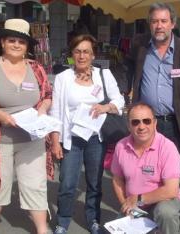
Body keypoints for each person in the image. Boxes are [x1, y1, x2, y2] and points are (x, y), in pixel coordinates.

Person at [0, 19, 53, 234]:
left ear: (27, 46)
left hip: (31, 139)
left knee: (35, 184)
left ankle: (43, 229)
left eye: (21, 42)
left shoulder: (36, 68)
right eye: (12, 40)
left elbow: (47, 96)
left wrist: (43, 108)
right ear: (3, 43)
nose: (16, 44)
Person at [50, 34, 125, 234]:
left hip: (95, 138)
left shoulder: (104, 75)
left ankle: (93, 219)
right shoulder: (62, 78)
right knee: (67, 183)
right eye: (78, 51)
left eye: (86, 51)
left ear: (93, 55)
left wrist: (106, 107)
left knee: (94, 182)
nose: (82, 56)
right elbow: (55, 112)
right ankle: (63, 221)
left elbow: (120, 101)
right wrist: (55, 142)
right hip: (71, 139)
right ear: (71, 55)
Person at [126, 2, 180, 156]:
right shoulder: (140, 46)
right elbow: (127, 68)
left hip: (175, 123)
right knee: (146, 170)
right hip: (146, 122)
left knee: (171, 175)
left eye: (163, 21)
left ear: (172, 23)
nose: (159, 26)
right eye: (154, 21)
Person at [111, 103, 180, 234]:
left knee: (165, 213)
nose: (141, 126)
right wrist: (126, 205)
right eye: (135, 122)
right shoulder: (120, 146)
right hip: (135, 204)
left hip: (163, 201)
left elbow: (171, 190)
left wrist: (138, 198)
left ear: (155, 123)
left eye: (147, 121)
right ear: (128, 126)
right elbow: (117, 180)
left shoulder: (167, 147)